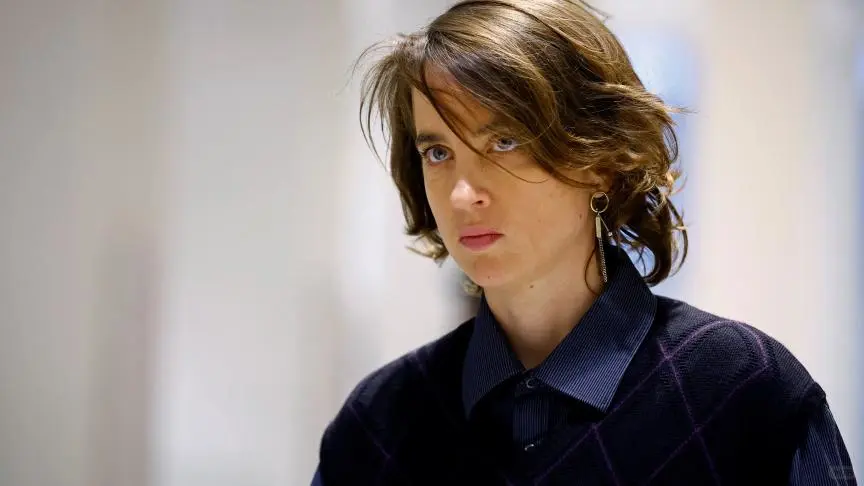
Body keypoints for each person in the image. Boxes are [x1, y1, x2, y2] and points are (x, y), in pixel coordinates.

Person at [312, 1, 857, 484]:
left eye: (505, 141)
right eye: (438, 153)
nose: (461, 193)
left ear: (600, 161)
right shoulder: (379, 424)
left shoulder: (742, 389)